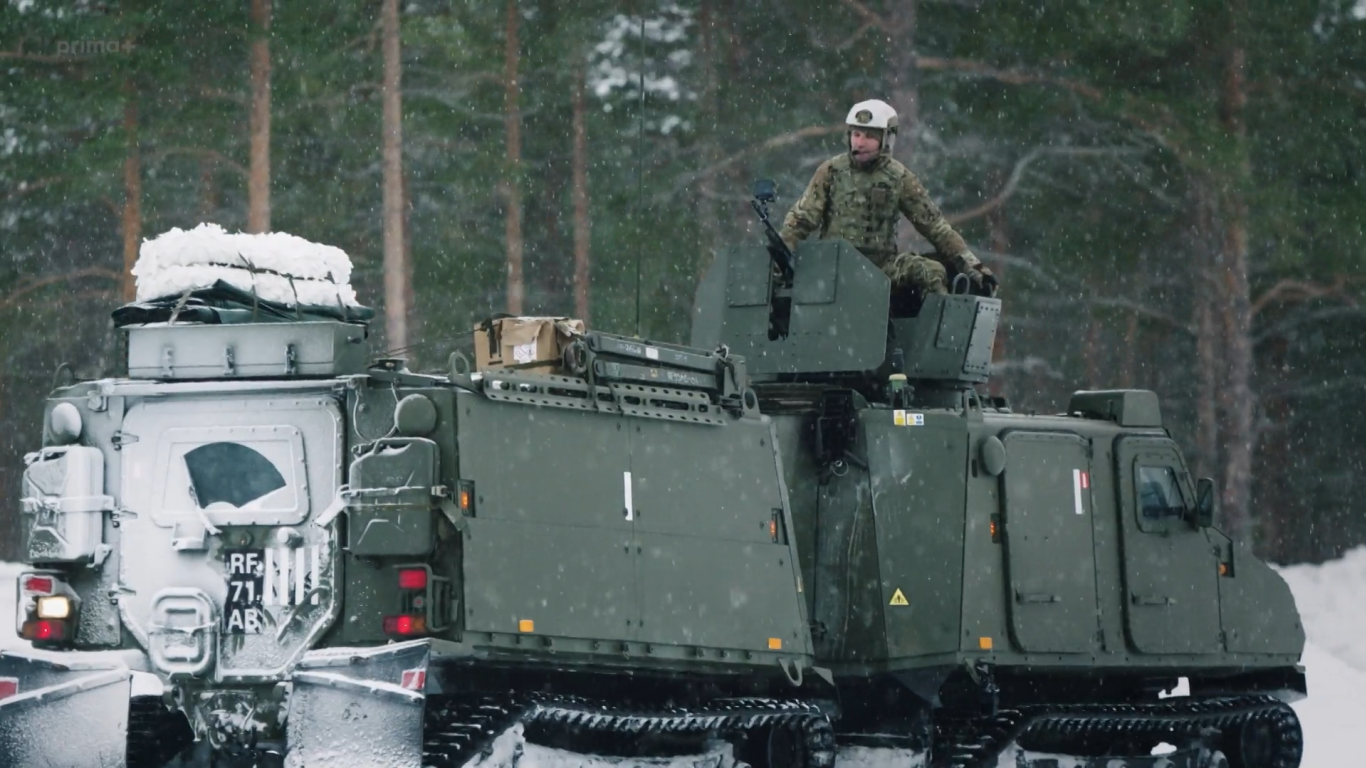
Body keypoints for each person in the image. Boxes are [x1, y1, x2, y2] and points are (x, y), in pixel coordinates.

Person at [779, 99, 998, 298]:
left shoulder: (899, 178)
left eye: (869, 136)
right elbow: (801, 219)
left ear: (887, 139)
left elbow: (936, 227)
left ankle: (931, 338)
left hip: (881, 268)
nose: (860, 143)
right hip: (833, 266)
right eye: (856, 134)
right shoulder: (831, 171)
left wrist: (973, 268)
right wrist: (780, 260)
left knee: (933, 271)